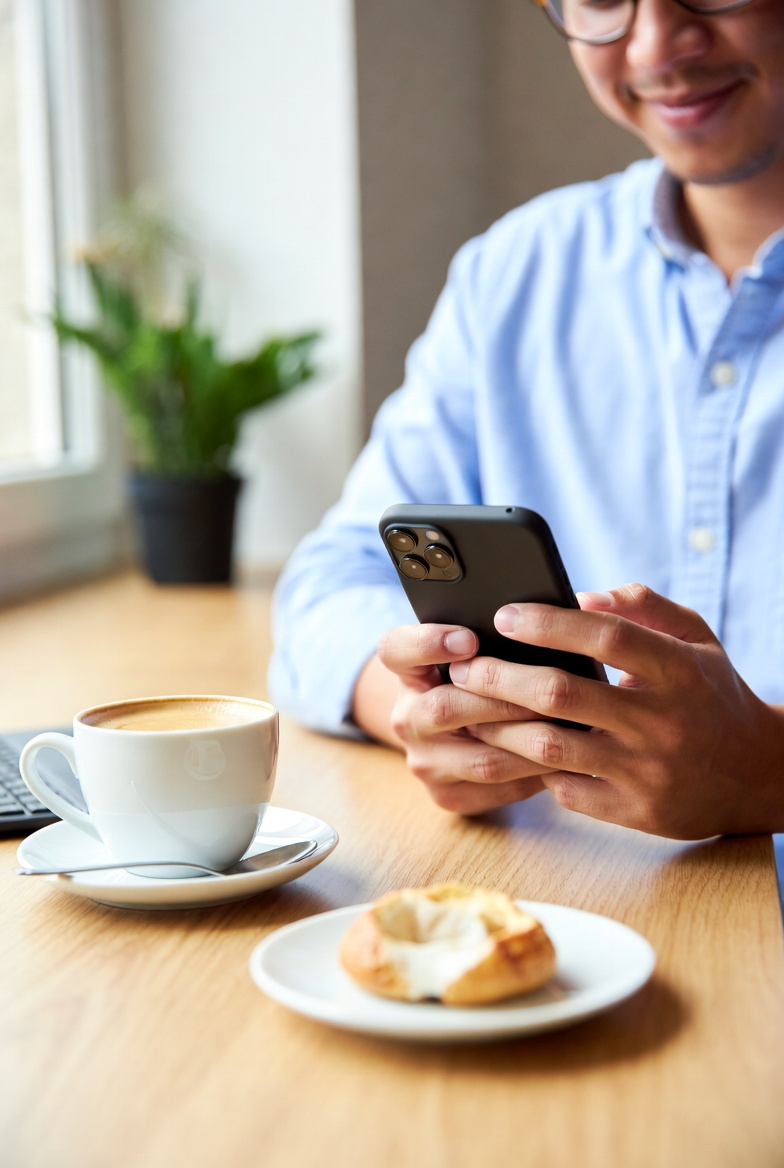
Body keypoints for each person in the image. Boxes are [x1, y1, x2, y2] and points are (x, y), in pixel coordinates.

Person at [269, 0, 784, 840]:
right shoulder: (516, 273)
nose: (656, 46)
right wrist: (427, 706)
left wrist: (768, 768)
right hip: (577, 915)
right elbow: (330, 587)